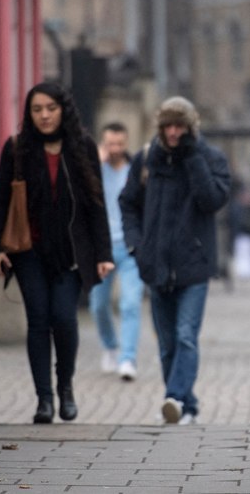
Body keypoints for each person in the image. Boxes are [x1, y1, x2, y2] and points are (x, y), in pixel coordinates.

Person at [0, 82, 114, 424]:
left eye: (51, 108)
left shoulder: (83, 146)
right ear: (29, 113)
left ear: (63, 110)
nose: (44, 115)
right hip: (29, 253)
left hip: (72, 254)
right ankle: (44, 400)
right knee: (38, 321)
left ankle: (65, 388)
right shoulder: (17, 149)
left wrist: (103, 252)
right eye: (37, 109)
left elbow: (96, 203)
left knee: (65, 319)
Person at [119, 96, 231, 425]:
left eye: (179, 126)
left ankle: (174, 398)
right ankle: (187, 405)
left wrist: (192, 158)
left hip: (193, 265)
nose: (172, 132)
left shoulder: (209, 157)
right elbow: (127, 204)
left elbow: (212, 200)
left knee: (185, 336)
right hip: (155, 265)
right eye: (167, 125)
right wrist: (136, 246)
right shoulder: (146, 159)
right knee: (167, 344)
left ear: (190, 127)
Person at [89, 122, 145, 380]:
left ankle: (128, 359)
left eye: (120, 144)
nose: (115, 149)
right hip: (101, 248)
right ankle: (111, 346)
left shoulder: (136, 171)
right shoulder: (94, 170)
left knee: (130, 303)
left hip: (130, 247)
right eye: (110, 144)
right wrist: (94, 164)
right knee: (98, 305)